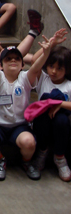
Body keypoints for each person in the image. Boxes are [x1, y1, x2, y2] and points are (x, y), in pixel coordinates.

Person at [0, 33, 57, 181]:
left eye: (17, 58)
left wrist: (46, 52)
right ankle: (0, 160)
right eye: (8, 58)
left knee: (29, 143)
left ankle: (26, 162)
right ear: (1, 65)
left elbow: (35, 68)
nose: (13, 60)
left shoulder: (25, 79)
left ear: (23, 65)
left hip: (19, 126)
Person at [31, 39, 71, 181]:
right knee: (41, 116)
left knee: (62, 119)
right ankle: (42, 152)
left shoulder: (68, 85)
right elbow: (34, 61)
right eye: (51, 66)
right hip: (43, 123)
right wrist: (50, 46)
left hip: (61, 126)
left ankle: (59, 158)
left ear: (67, 70)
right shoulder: (43, 78)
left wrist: (60, 104)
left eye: (59, 68)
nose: (54, 71)